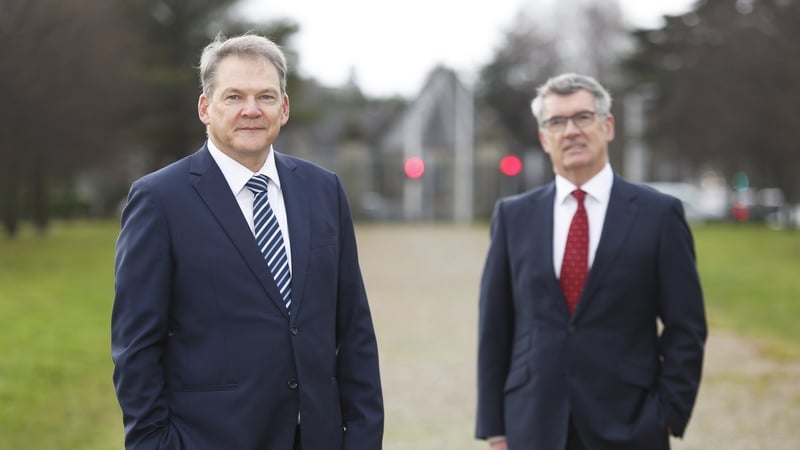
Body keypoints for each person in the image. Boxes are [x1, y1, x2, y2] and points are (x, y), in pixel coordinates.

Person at [111, 33, 384, 450]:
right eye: (234, 96)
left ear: (285, 108)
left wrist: (363, 437)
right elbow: (136, 346)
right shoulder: (159, 200)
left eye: (266, 97)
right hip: (211, 439)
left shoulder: (323, 190)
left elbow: (354, 328)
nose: (251, 110)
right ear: (205, 107)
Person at [475, 73, 706, 450]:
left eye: (583, 117)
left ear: (607, 125)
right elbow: (495, 328)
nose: (571, 131)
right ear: (543, 138)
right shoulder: (512, 217)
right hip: (532, 424)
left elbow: (687, 326)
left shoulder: (659, 215)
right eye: (557, 122)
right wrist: (495, 428)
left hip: (630, 425)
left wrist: (668, 414)